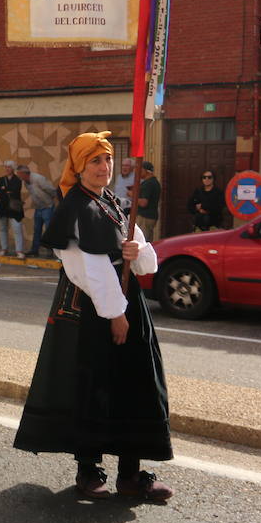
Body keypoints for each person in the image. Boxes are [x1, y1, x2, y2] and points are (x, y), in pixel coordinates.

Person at [15, 132, 173, 502]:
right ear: (79, 167)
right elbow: (86, 267)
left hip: (127, 301)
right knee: (93, 383)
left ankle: (131, 475)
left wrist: (137, 251)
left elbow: (146, 259)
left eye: (107, 160)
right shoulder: (75, 208)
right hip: (94, 309)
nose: (104, 167)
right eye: (95, 162)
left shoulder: (115, 204)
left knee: (134, 382)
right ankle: (88, 471)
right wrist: (115, 314)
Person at [18, 163, 58, 257]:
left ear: (24, 173)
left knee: (49, 230)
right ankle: (35, 250)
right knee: (37, 230)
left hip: (47, 207)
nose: (19, 176)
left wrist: (51, 200)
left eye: (19, 174)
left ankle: (50, 251)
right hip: (38, 207)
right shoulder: (25, 182)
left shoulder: (38, 179)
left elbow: (51, 190)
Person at [0, 159, 25, 258]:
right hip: (2, 208)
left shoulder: (17, 180)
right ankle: (4, 248)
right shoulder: (1, 179)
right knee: (2, 229)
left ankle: (19, 250)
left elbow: (15, 191)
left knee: (17, 229)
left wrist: (5, 190)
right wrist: (6, 191)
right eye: (6, 167)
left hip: (14, 209)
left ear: (13, 168)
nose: (7, 169)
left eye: (9, 167)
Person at [135, 161, 162, 242]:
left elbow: (143, 203)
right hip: (149, 216)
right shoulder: (153, 182)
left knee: (142, 241)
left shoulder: (149, 184)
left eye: (140, 169)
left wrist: (133, 196)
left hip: (145, 217)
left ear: (147, 171)